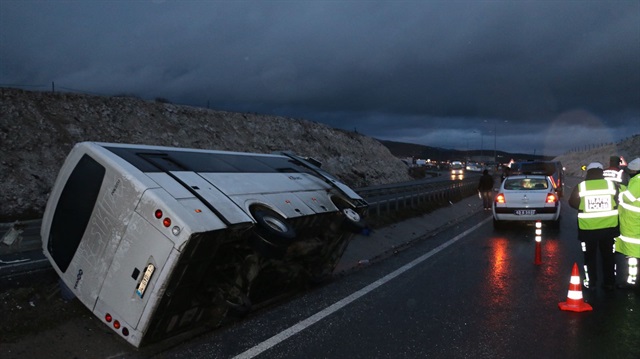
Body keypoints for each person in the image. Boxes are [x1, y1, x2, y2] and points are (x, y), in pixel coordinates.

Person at [569, 162, 619, 291]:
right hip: (609, 228)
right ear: (601, 172)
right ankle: (609, 283)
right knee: (608, 256)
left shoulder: (582, 186)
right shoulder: (611, 185)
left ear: (588, 172)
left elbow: (572, 202)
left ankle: (591, 283)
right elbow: (617, 201)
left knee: (589, 257)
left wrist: (584, 208)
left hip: (588, 229)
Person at [614, 158, 640, 289]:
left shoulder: (638, 180)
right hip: (634, 221)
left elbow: (628, 198)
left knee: (633, 254)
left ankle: (632, 282)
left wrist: (622, 188)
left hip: (633, 223)